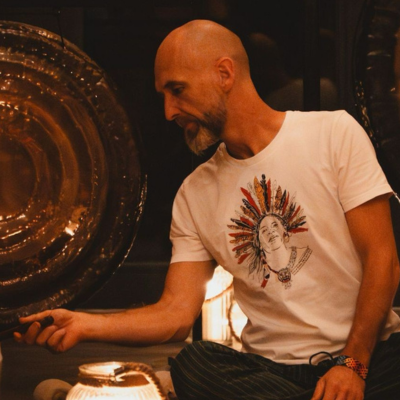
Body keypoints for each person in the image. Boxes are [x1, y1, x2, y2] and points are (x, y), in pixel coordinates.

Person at [15, 20, 400, 400]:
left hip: (368, 357)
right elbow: (175, 314)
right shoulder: (194, 194)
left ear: (224, 74)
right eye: (164, 95)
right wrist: (84, 325)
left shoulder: (333, 134)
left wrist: (352, 364)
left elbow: (382, 259)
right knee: (195, 364)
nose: (169, 111)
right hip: (269, 373)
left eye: (177, 90)